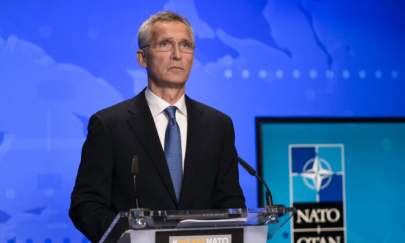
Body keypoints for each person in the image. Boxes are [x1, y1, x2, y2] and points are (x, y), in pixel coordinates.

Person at [69, 11, 245, 242]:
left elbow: (231, 203)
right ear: (142, 58)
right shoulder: (109, 125)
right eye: (165, 44)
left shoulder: (218, 125)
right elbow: (86, 204)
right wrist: (126, 239)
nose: (177, 55)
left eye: (186, 45)